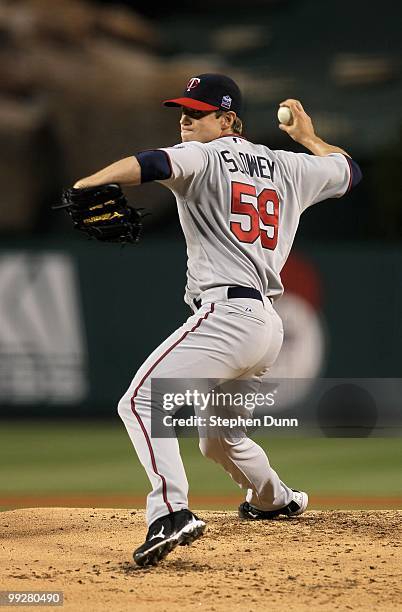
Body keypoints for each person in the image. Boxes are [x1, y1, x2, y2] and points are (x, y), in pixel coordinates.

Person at [73, 73, 362, 567]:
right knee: (220, 440)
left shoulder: (204, 155)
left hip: (228, 316)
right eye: (182, 111)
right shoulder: (288, 166)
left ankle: (171, 512)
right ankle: (276, 499)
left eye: (197, 112)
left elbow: (151, 163)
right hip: (267, 327)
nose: (184, 120)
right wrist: (308, 137)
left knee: (141, 402)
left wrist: (88, 184)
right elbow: (349, 171)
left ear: (228, 120)